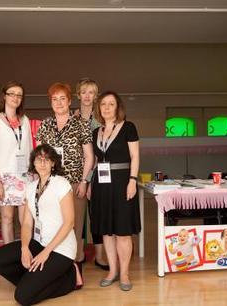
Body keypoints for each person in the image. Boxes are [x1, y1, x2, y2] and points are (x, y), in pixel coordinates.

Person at [0, 144, 83, 306]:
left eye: (47, 159)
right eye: (39, 159)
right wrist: (25, 248)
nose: (43, 162)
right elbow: (26, 223)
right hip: (39, 243)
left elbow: (69, 223)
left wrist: (46, 253)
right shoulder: (30, 188)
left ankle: (71, 278)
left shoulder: (61, 184)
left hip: (61, 250)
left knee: (22, 297)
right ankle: (35, 281)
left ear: (53, 163)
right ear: (34, 163)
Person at [36, 82, 94, 265]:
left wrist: (85, 182)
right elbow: (40, 155)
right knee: (53, 225)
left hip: (75, 184)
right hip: (51, 185)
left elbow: (89, 156)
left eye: (62, 98)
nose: (59, 103)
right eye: (55, 99)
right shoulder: (45, 124)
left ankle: (75, 263)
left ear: (69, 101)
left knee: (74, 226)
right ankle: (55, 263)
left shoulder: (81, 124)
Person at [88, 91, 140, 291]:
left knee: (123, 231)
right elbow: (95, 162)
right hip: (102, 184)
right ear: (99, 108)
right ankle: (112, 270)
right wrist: (91, 183)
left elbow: (135, 156)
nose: (107, 108)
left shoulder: (128, 127)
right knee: (107, 231)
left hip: (123, 182)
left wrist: (133, 181)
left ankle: (125, 273)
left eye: (111, 104)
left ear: (118, 107)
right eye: (103, 104)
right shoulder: (96, 132)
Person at [0, 81, 33, 244]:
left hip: (25, 176)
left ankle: (26, 253)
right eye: (12, 93)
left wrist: (33, 174)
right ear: (4, 96)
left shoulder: (25, 120)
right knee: (7, 218)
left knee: (26, 220)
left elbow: (29, 148)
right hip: (5, 177)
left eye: (19, 95)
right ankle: (9, 257)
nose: (15, 97)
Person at [74, 78, 109, 270]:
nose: (87, 96)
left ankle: (100, 256)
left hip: (96, 175)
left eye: (91, 93)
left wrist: (88, 180)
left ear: (96, 96)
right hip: (75, 175)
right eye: (84, 92)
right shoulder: (73, 118)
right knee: (78, 215)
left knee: (97, 216)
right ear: (78, 95)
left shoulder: (101, 121)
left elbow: (98, 153)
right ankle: (78, 253)